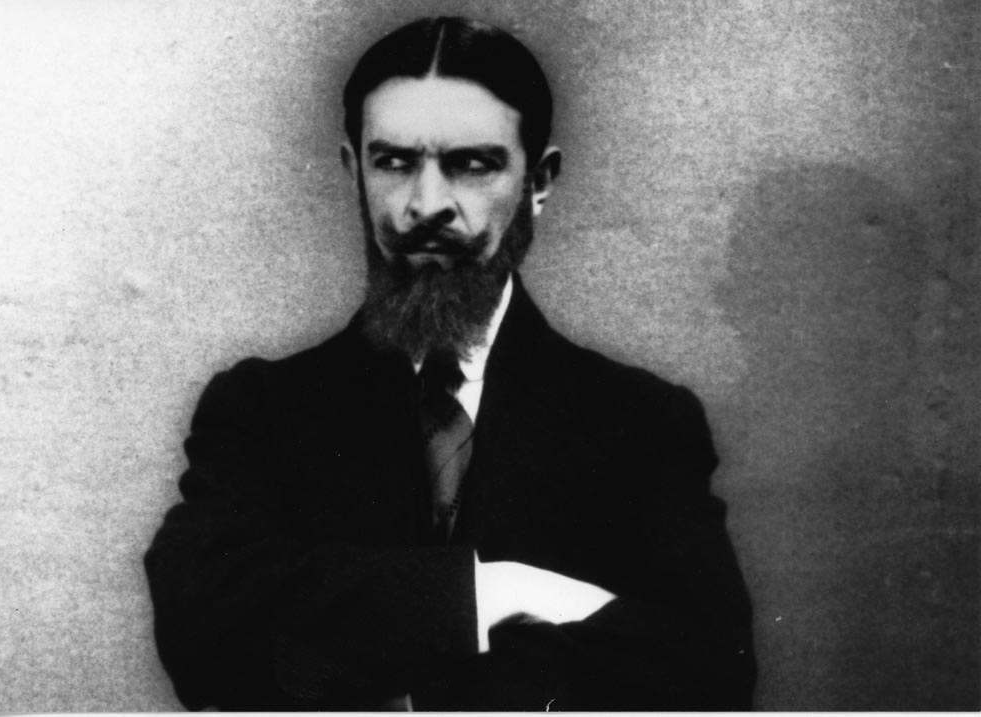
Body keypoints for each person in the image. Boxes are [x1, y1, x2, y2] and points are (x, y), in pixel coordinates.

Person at [144, 16, 756, 711]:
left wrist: (355, 640)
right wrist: (495, 592)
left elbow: (709, 673)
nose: (427, 205)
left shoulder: (641, 422)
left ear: (538, 181)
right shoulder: (259, 408)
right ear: (353, 170)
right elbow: (202, 629)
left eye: (472, 164)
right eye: (393, 162)